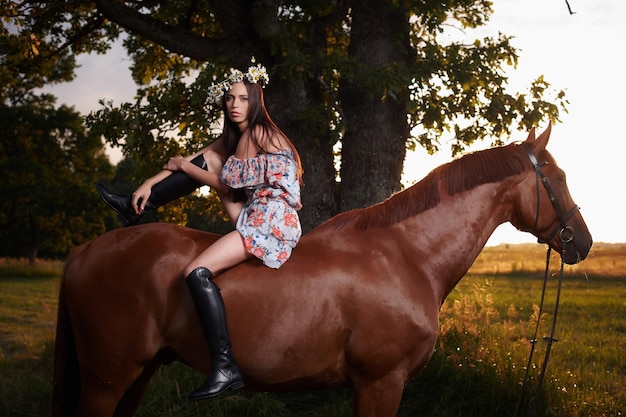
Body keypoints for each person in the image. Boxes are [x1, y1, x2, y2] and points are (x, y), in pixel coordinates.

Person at [96, 60, 304, 400]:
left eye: (243, 98)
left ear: (256, 100)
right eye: (229, 99)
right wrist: (150, 183)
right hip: (254, 211)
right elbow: (196, 159)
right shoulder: (235, 138)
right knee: (206, 158)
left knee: (196, 271)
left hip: (270, 219)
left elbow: (225, 186)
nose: (234, 105)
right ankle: (136, 206)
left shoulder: (258, 133)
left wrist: (184, 167)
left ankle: (225, 366)